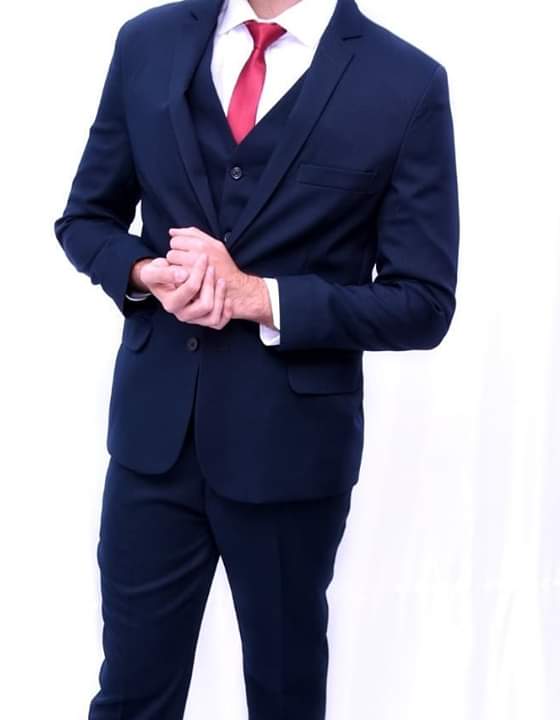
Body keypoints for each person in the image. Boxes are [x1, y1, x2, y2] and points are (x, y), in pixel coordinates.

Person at [53, 0, 459, 717]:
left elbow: (423, 302)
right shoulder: (147, 41)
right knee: (130, 699)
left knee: (284, 696)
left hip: (290, 453)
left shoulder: (406, 81)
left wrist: (260, 297)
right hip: (153, 442)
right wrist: (145, 274)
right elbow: (87, 218)